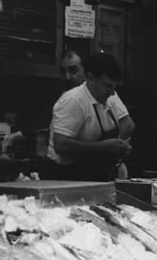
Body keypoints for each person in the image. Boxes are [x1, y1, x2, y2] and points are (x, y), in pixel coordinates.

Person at [46, 51, 135, 181]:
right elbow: (61, 145)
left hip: (95, 173)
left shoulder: (110, 96)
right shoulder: (74, 100)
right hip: (67, 176)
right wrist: (103, 147)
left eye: (114, 86)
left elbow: (128, 124)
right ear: (91, 79)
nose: (112, 92)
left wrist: (118, 146)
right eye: (107, 86)